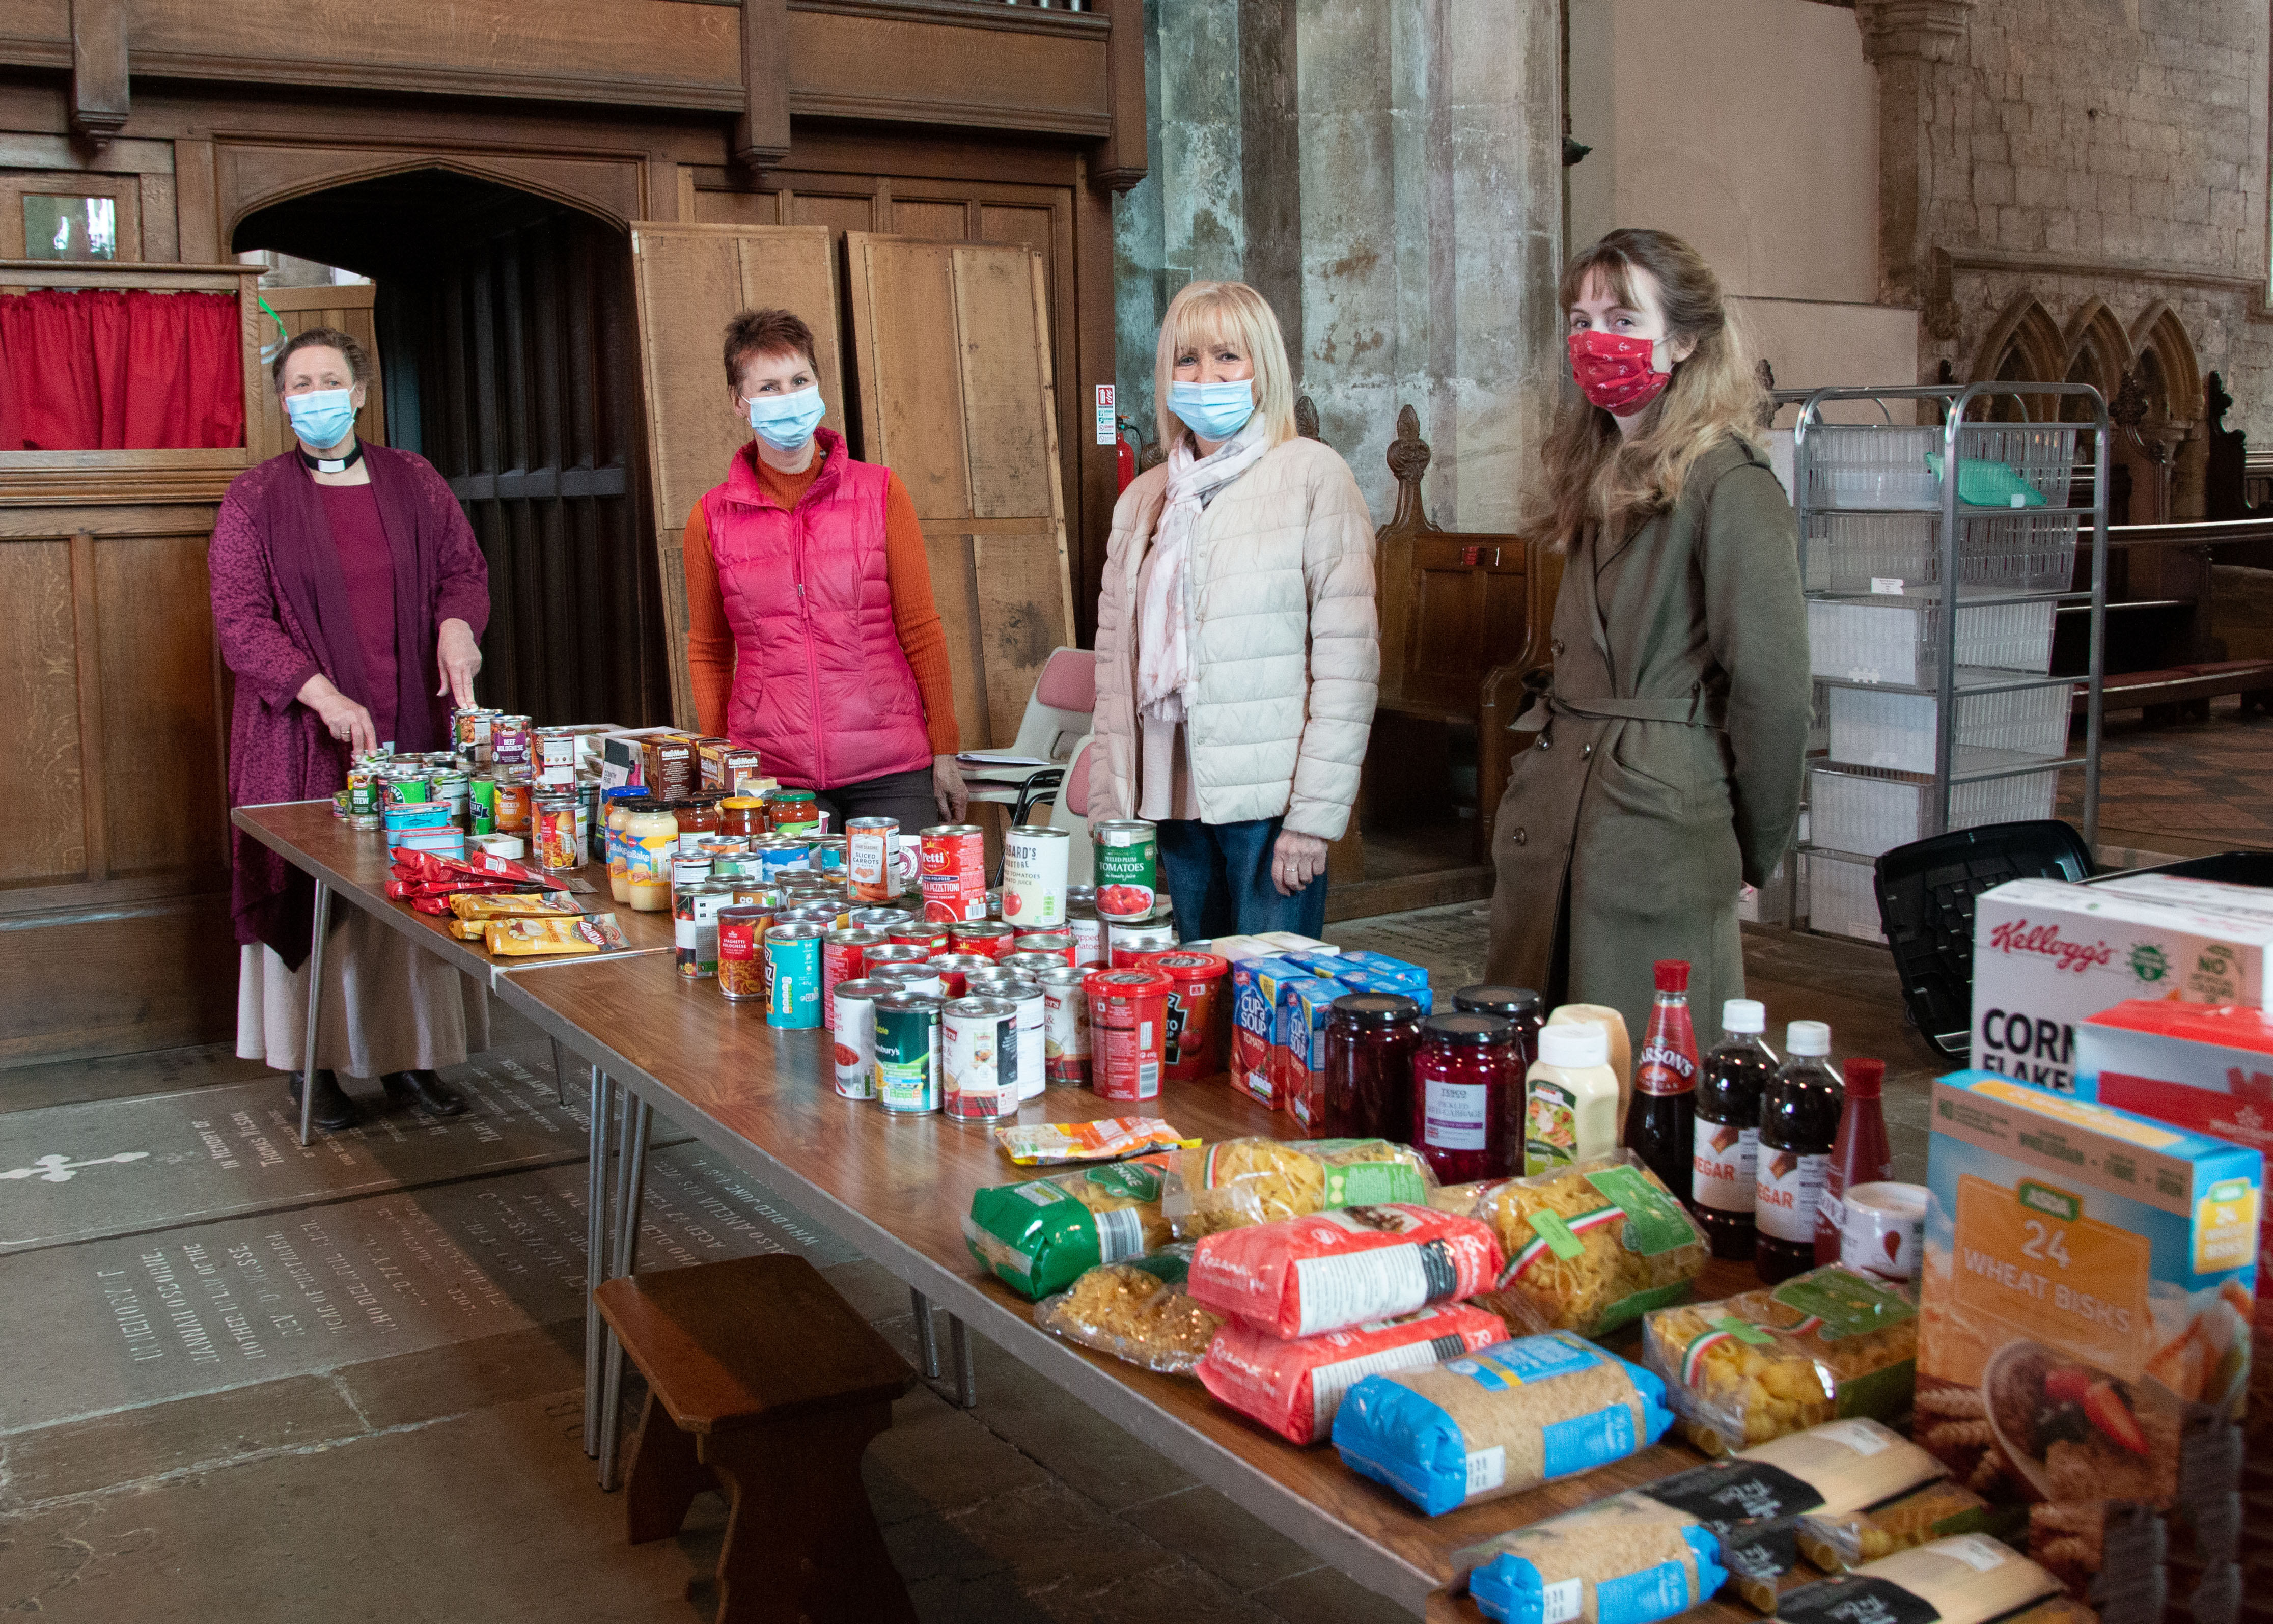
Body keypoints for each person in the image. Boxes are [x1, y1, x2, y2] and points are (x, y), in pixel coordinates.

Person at [1485, 228, 1810, 1043]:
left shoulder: (1730, 483)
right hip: (1566, 816)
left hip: (1660, 826)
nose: (1595, 339)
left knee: (1649, 1087)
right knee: (1552, 1090)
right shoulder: (1601, 470)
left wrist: (1749, 846)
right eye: (1581, 317)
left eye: (1623, 319)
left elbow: (1772, 689)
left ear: (1686, 339)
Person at [212, 327, 493, 1129]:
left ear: (360, 392)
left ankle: (410, 1059)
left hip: (413, 723)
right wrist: (320, 694)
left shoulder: (415, 480)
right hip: (302, 736)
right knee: (317, 901)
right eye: (298, 384)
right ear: (282, 401)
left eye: (328, 379)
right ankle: (313, 1067)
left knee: (414, 886)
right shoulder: (254, 498)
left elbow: (461, 572)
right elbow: (240, 621)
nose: (315, 395)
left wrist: (458, 627)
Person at [1089, 281, 1378, 938]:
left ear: (1262, 369)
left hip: (1270, 796)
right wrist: (1112, 801)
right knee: (1200, 1002)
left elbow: (1346, 663)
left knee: (1273, 1005)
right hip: (1169, 783)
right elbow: (1114, 660)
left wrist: (1314, 816)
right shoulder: (1145, 497)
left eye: (1228, 356)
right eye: (1186, 360)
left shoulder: (1311, 474)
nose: (1205, 375)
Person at [683, 309, 966, 833]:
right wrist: (722, 760)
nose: (788, 396)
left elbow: (921, 631)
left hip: (890, 766)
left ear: (818, 386)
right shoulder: (710, 517)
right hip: (772, 773)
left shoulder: (880, 491)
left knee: (901, 910)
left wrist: (945, 750)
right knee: (792, 916)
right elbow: (709, 650)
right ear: (739, 402)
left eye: (799, 380)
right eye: (768, 387)